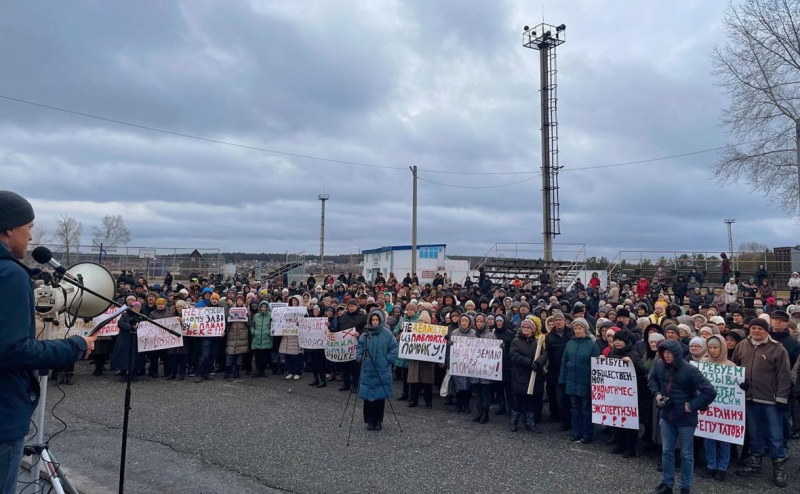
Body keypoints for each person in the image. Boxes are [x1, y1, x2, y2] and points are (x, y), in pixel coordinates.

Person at [0, 191, 98, 494]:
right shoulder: (9, 275)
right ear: (8, 228)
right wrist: (76, 346)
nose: (31, 236)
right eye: (28, 227)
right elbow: (12, 350)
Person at [650, 340, 717, 494]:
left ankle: (685, 486)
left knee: (686, 454)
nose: (666, 355)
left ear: (677, 353)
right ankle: (667, 484)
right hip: (667, 416)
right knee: (667, 451)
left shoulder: (690, 370)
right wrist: (657, 394)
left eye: (669, 352)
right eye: (664, 352)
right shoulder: (659, 365)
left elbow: (710, 391)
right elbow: (651, 378)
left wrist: (691, 406)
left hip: (686, 419)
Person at [733, 317, 792, 488]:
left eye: (760, 329)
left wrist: (782, 398)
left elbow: (784, 376)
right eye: (753, 328)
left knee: (775, 434)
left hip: (771, 400)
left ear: (766, 331)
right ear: (749, 329)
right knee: (754, 432)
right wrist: (739, 383)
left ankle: (779, 466)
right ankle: (755, 462)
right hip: (750, 398)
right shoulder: (742, 345)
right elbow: (735, 367)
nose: (756, 331)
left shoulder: (778, 349)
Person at [700, 335, 737, 482]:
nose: (712, 350)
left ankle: (722, 468)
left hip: (724, 410)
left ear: (722, 348)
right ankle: (711, 465)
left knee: (724, 439)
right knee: (708, 438)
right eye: (710, 347)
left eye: (715, 347)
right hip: (707, 408)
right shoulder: (703, 363)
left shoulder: (731, 366)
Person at [356, 309, 398, 431]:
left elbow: (394, 348)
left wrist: (387, 361)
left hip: (381, 369)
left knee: (379, 398)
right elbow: (359, 348)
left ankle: (378, 421)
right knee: (368, 398)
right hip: (367, 369)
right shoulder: (365, 334)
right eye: (373, 320)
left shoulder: (387, 334)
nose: (374, 322)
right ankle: (370, 421)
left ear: (380, 320)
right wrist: (361, 359)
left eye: (376, 320)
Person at [559, 318, 600, 443]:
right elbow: (564, 361)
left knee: (586, 408)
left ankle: (587, 433)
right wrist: (562, 379)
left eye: (580, 328)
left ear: (585, 329)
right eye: (575, 329)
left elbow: (596, 366)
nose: (577, 331)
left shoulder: (592, 345)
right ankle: (576, 432)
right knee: (575, 407)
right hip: (572, 380)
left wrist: (594, 383)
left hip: (585, 381)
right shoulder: (570, 344)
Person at [510, 319, 547, 433]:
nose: (525, 329)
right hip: (520, 376)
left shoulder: (537, 342)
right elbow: (514, 355)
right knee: (518, 401)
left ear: (533, 329)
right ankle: (514, 423)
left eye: (528, 327)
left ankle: (530, 423)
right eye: (524, 327)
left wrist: (538, 363)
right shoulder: (516, 341)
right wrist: (528, 362)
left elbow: (544, 355)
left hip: (533, 376)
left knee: (530, 401)